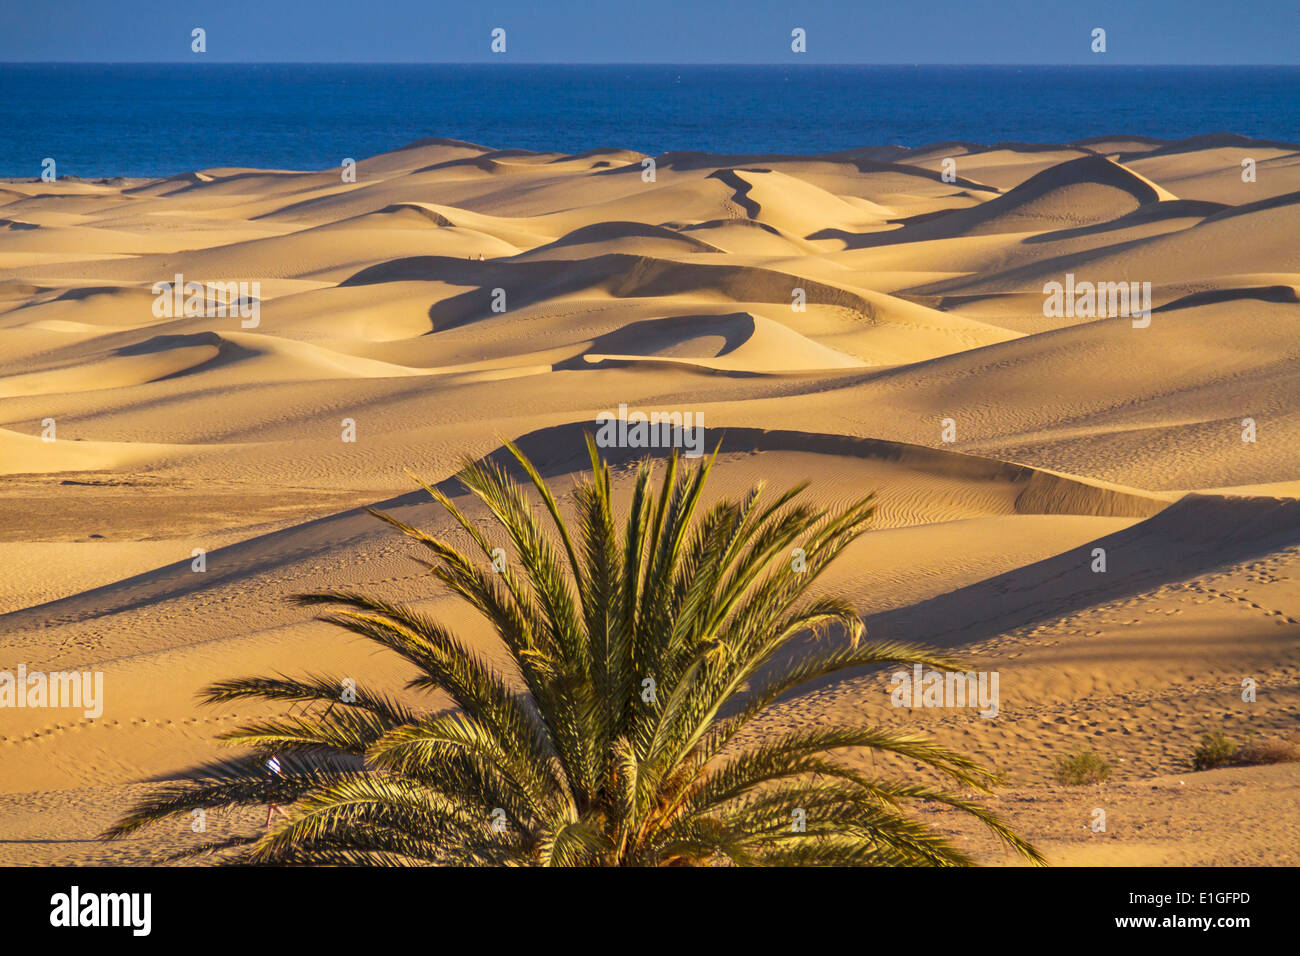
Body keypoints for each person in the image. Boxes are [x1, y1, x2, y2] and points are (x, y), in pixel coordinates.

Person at [264, 754, 291, 828]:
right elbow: (279, 772)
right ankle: (267, 823)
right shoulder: (276, 761)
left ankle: (288, 817)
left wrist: (267, 784)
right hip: (276, 782)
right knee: (271, 804)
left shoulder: (268, 762)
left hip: (270, 783)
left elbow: (268, 774)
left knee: (272, 804)